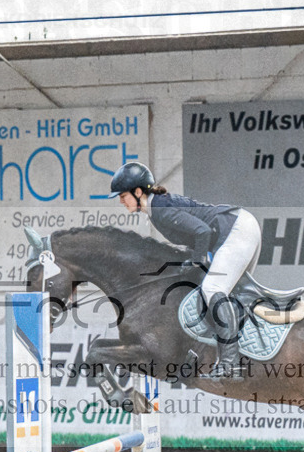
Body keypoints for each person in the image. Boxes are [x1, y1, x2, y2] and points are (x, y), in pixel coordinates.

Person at [109, 161, 261, 381]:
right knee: (230, 294)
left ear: (138, 191)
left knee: (212, 289)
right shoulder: (157, 208)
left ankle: (230, 365)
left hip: (236, 231)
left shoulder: (159, 210)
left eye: (123, 196)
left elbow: (202, 231)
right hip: (238, 227)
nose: (121, 202)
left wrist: (196, 261)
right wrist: (192, 261)